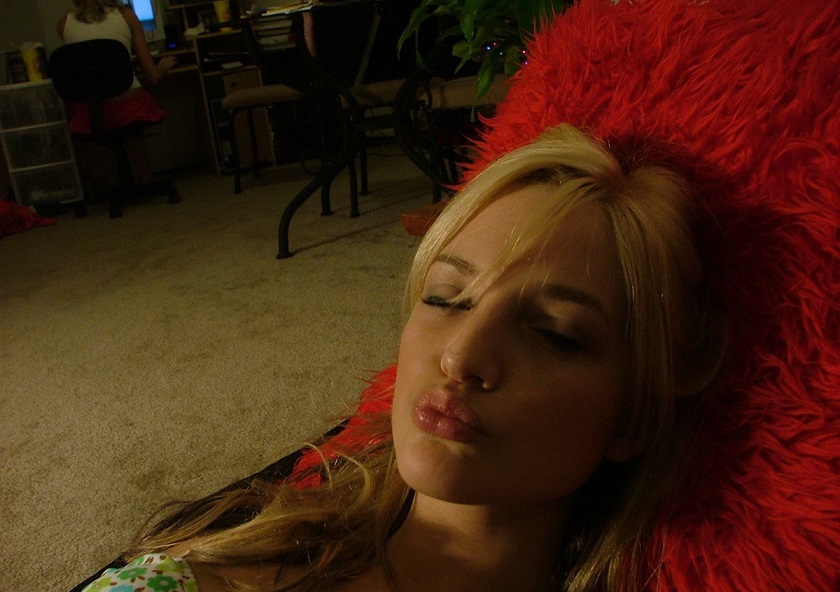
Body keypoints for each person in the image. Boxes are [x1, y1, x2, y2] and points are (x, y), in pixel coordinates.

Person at [77, 0, 839, 590]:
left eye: (554, 332)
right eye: (446, 298)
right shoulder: (201, 577)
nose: (463, 356)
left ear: (632, 416)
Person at [56, 0, 177, 187]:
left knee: (101, 113)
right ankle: (144, 177)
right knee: (132, 113)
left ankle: (107, 180)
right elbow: (153, 77)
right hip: (128, 109)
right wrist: (163, 66)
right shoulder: (126, 16)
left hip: (91, 113)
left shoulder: (64, 23)